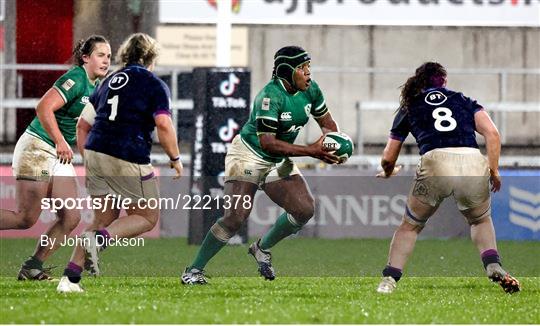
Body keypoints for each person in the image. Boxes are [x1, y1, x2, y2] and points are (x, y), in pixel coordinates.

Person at [181, 45, 340, 285]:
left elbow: (328, 126)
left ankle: (261, 248)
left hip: (277, 159)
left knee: (304, 209)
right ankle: (193, 270)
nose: (308, 73)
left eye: (309, 67)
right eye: (303, 68)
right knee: (235, 217)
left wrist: (336, 145)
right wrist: (311, 151)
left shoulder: (312, 90)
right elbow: (268, 144)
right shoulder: (270, 96)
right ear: (287, 71)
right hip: (249, 154)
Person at [375, 62, 520, 294]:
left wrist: (389, 170)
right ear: (444, 81)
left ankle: (388, 281)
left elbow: (389, 155)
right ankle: (492, 264)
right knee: (480, 220)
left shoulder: (410, 105)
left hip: (435, 161)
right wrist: (494, 170)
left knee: (410, 227)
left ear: (419, 81)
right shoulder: (462, 100)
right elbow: (492, 133)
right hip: (472, 160)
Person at [57, 33, 182, 292]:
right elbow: (163, 124)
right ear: (151, 58)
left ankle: (69, 279)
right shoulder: (154, 84)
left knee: (103, 218)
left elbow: (83, 125)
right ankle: (100, 241)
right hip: (128, 153)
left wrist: (89, 159)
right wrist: (175, 158)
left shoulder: (107, 81)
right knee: (147, 217)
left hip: (96, 151)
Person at [0, 35, 111, 281]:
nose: (106, 61)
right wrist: (61, 141)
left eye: (109, 56)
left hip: (57, 154)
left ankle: (32, 266)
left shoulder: (96, 87)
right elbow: (43, 107)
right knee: (26, 218)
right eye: (100, 55)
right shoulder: (76, 78)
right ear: (85, 57)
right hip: (37, 148)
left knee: (71, 217)